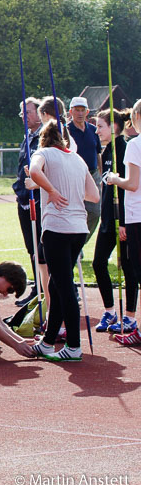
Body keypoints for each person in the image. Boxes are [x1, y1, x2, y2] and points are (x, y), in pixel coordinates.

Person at [29, 121, 100, 362]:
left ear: (43, 138)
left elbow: (34, 171)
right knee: (56, 286)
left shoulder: (43, 153)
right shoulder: (78, 159)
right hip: (78, 228)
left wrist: (52, 190)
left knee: (64, 286)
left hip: (57, 228)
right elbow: (94, 195)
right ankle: (48, 341)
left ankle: (73, 345)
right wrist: (68, 191)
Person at [93, 108, 138, 333]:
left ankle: (129, 317)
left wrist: (124, 222)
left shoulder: (124, 148)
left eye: (100, 126)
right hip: (108, 219)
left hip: (123, 220)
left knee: (129, 269)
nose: (97, 130)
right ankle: (110, 311)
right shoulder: (106, 151)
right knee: (98, 263)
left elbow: (128, 187)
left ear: (114, 127)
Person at [104, 99, 141, 345]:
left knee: (137, 271)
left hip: (138, 216)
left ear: (137, 116)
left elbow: (132, 183)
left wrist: (115, 179)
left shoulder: (135, 145)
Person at [13, 97, 47, 308]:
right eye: (22, 113)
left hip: (41, 200)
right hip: (24, 200)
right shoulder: (27, 137)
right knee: (31, 248)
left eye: (28, 112)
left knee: (43, 249)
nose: (25, 117)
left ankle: (45, 290)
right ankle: (38, 289)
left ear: (39, 113)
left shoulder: (45, 137)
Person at [67, 96, 103, 238]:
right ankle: (74, 243)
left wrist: (100, 174)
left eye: (83, 110)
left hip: (93, 174)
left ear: (87, 112)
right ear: (71, 111)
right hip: (73, 175)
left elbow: (98, 153)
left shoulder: (93, 130)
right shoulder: (66, 131)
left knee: (94, 212)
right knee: (74, 211)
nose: (80, 113)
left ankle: (80, 241)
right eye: (77, 110)